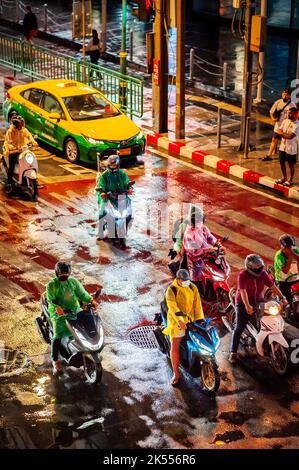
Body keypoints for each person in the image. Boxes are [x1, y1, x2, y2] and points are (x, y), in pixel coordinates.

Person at [229, 254, 288, 364]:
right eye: (256, 269)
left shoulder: (263, 274)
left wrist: (282, 298)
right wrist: (247, 306)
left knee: (272, 314)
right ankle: (233, 352)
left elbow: (272, 287)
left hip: (259, 300)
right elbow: (243, 292)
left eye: (260, 268)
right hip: (243, 302)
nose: (259, 271)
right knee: (239, 327)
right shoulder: (243, 275)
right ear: (249, 268)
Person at [46, 262, 98, 375]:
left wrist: (91, 300)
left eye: (66, 273)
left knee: (84, 327)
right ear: (57, 273)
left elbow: (82, 293)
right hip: (58, 313)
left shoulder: (73, 282)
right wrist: (58, 309)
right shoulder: (51, 285)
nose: (64, 276)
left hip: (75, 310)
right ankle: (55, 361)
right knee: (57, 335)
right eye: (62, 274)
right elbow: (51, 300)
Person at [163, 269, 204, 386]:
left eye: (188, 280)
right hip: (176, 321)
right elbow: (173, 308)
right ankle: (176, 373)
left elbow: (197, 304)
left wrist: (199, 319)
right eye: (184, 280)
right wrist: (180, 321)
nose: (187, 282)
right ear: (178, 279)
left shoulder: (192, 287)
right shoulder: (171, 290)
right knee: (175, 345)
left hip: (191, 320)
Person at [182, 205, 219, 294]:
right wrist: (206, 250)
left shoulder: (203, 228)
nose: (201, 222)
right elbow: (193, 250)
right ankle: (196, 289)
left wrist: (217, 244)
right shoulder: (189, 234)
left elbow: (210, 238)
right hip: (195, 257)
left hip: (207, 253)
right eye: (199, 220)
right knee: (197, 274)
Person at [95, 154, 133, 242]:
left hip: (121, 196)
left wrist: (130, 189)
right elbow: (100, 186)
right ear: (108, 165)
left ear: (118, 165)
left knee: (129, 212)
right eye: (111, 165)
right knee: (102, 211)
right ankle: (100, 232)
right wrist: (102, 193)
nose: (113, 167)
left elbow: (127, 181)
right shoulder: (104, 175)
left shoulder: (122, 173)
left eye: (114, 165)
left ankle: (125, 227)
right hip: (108, 197)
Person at [4, 114, 37, 192]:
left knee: (31, 159)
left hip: (23, 150)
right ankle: (9, 181)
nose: (22, 125)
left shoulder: (24, 130)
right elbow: (8, 142)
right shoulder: (10, 131)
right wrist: (13, 147)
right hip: (13, 151)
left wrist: (34, 142)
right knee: (12, 164)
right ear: (16, 124)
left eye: (22, 123)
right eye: (20, 123)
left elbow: (29, 136)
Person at [263, 88, 296, 162]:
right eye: (283, 94)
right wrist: (273, 119)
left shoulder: (292, 104)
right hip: (278, 126)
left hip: (287, 127)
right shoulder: (278, 102)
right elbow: (271, 111)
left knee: (285, 142)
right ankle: (269, 155)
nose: (284, 95)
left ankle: (287, 156)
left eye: (286, 94)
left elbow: (296, 115)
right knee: (274, 140)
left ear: (289, 96)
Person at [275, 107, 299, 187]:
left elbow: (290, 136)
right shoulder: (285, 121)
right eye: (288, 113)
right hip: (282, 146)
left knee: (290, 164)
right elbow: (279, 130)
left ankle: (290, 180)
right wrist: (283, 134)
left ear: (296, 114)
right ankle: (284, 177)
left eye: (291, 113)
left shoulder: (297, 125)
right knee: (282, 162)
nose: (289, 114)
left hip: (291, 148)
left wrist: (282, 134)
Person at [274, 234, 299, 306]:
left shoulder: (295, 250)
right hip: (283, 281)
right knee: (285, 301)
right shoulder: (279, 256)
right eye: (288, 247)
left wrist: (293, 253)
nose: (291, 248)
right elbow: (285, 271)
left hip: (295, 278)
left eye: (292, 246)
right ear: (282, 247)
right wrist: (290, 258)